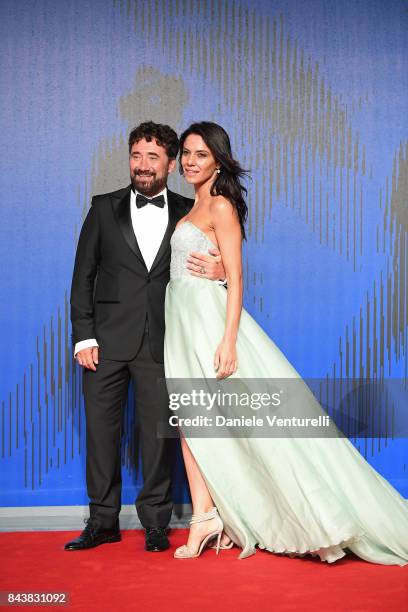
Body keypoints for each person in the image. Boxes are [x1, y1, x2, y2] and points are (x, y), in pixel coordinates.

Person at [163, 121, 408, 564]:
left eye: (200, 153)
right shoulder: (190, 207)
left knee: (257, 428)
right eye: (186, 152)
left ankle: (307, 513)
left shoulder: (220, 206)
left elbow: (236, 276)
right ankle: (205, 517)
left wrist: (230, 341)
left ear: (218, 160)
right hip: (181, 325)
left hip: (209, 325)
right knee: (191, 421)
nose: (189, 161)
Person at [65, 121, 226, 553]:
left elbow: (219, 262)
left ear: (171, 164)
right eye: (136, 156)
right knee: (101, 433)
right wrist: (84, 337)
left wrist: (223, 272)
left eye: (153, 157)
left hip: (164, 339)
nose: (142, 165)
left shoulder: (188, 210)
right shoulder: (103, 207)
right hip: (106, 342)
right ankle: (102, 522)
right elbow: (83, 276)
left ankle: (157, 523)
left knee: (158, 436)